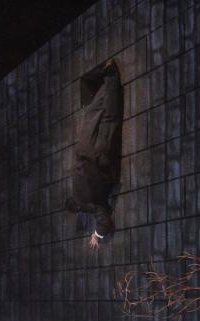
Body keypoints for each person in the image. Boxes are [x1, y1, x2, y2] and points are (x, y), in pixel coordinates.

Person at [65, 59, 123, 251]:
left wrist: (97, 235)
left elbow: (105, 221)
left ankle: (111, 75)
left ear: (78, 209)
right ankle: (106, 74)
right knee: (94, 114)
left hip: (100, 158)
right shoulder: (76, 190)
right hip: (83, 149)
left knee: (110, 119)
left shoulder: (90, 205)